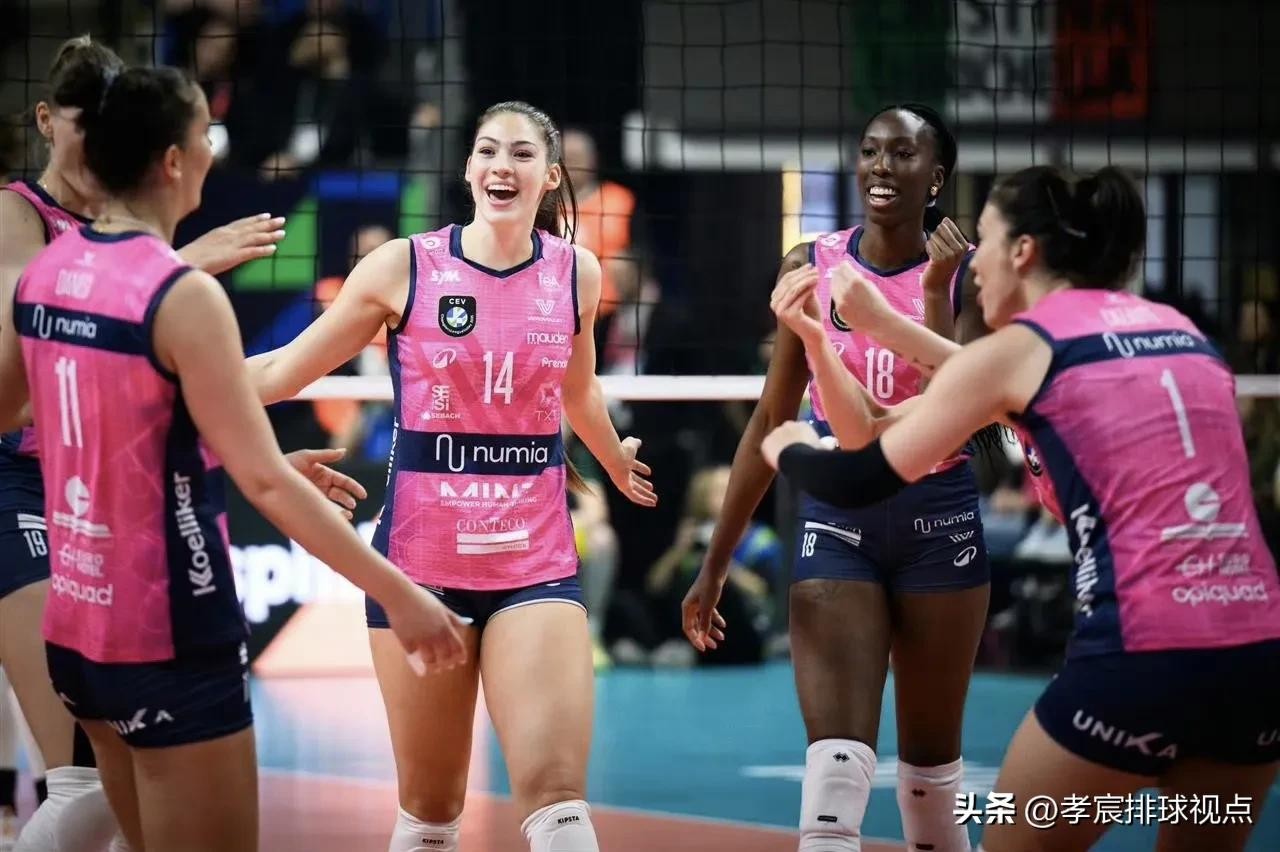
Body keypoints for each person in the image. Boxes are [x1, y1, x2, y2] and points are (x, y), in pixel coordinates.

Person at [0, 64, 468, 852]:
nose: (211, 154)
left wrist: (202, 452)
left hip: (78, 625)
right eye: (202, 138)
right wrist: (402, 595)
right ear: (173, 161)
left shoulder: (50, 272)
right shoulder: (181, 294)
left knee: (101, 813)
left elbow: (34, 415)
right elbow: (267, 482)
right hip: (168, 623)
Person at [763, 165, 1280, 852]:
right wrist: (874, 324)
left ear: (1023, 252)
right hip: (1259, 653)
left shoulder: (1023, 350)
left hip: (1142, 649)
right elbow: (984, 378)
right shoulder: (1180, 330)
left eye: (986, 241)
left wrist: (791, 448)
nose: (972, 266)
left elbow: (861, 475)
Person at [245, 100, 657, 852]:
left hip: (534, 563)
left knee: (560, 802)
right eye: (488, 150)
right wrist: (163, 370)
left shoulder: (577, 273)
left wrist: (610, 455)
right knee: (431, 814)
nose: (503, 165)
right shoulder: (403, 266)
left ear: (550, 176)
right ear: (469, 169)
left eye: (522, 154)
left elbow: (579, 389)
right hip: (420, 570)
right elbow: (279, 372)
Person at [0, 35, 291, 852]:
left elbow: (149, 399)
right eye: (79, 120)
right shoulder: (24, 219)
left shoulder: (121, 249)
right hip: (27, 494)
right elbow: (36, 367)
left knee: (111, 787)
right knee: (83, 779)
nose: (92, 139)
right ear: (47, 121)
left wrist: (224, 459)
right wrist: (177, 266)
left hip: (97, 502)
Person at [683, 103, 986, 852]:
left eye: (903, 153)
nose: (881, 166)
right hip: (839, 517)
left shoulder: (971, 276)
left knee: (930, 786)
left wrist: (936, 290)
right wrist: (715, 563)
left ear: (937, 177)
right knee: (835, 779)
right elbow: (770, 419)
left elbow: (962, 409)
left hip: (939, 518)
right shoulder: (810, 265)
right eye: (870, 150)